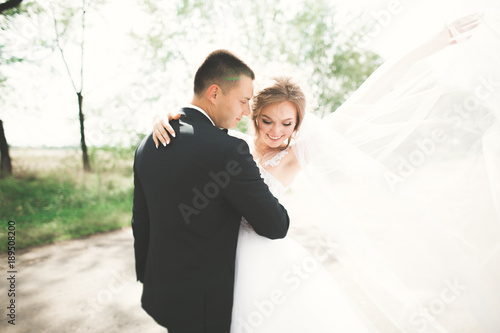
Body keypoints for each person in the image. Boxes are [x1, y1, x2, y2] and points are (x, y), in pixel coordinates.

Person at [153, 13, 500, 332]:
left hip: (265, 264)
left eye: (287, 123)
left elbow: (372, 94)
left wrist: (436, 41)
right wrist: (161, 117)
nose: (276, 131)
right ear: (253, 116)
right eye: (267, 121)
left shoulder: (296, 154)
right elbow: (195, 119)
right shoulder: (230, 141)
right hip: (215, 259)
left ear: (298, 123)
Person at [132, 49, 290, 333]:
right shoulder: (227, 150)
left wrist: (146, 275)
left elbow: (140, 220)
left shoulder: (148, 144)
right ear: (215, 93)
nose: (246, 111)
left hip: (163, 295)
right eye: (243, 101)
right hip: (205, 309)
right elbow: (275, 225)